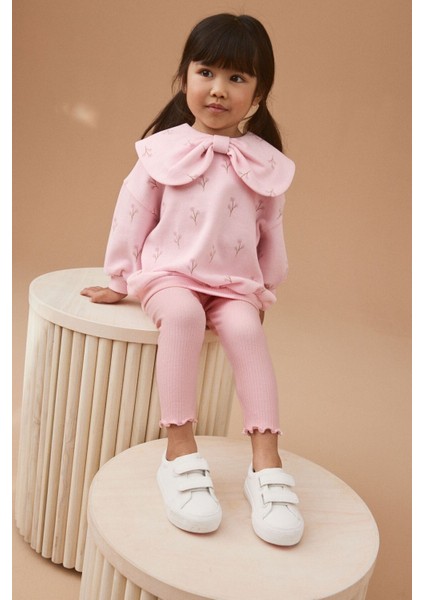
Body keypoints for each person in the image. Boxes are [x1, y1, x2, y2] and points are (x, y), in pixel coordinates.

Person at [81, 13, 304, 546]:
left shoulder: (264, 164)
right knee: (181, 315)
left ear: (258, 93)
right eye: (206, 72)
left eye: (236, 78)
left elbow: (270, 231)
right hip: (170, 275)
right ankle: (179, 451)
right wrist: (121, 278)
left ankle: (266, 464)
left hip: (232, 283)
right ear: (185, 77)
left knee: (246, 331)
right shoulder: (164, 150)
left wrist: (264, 289)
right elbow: (132, 214)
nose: (218, 89)